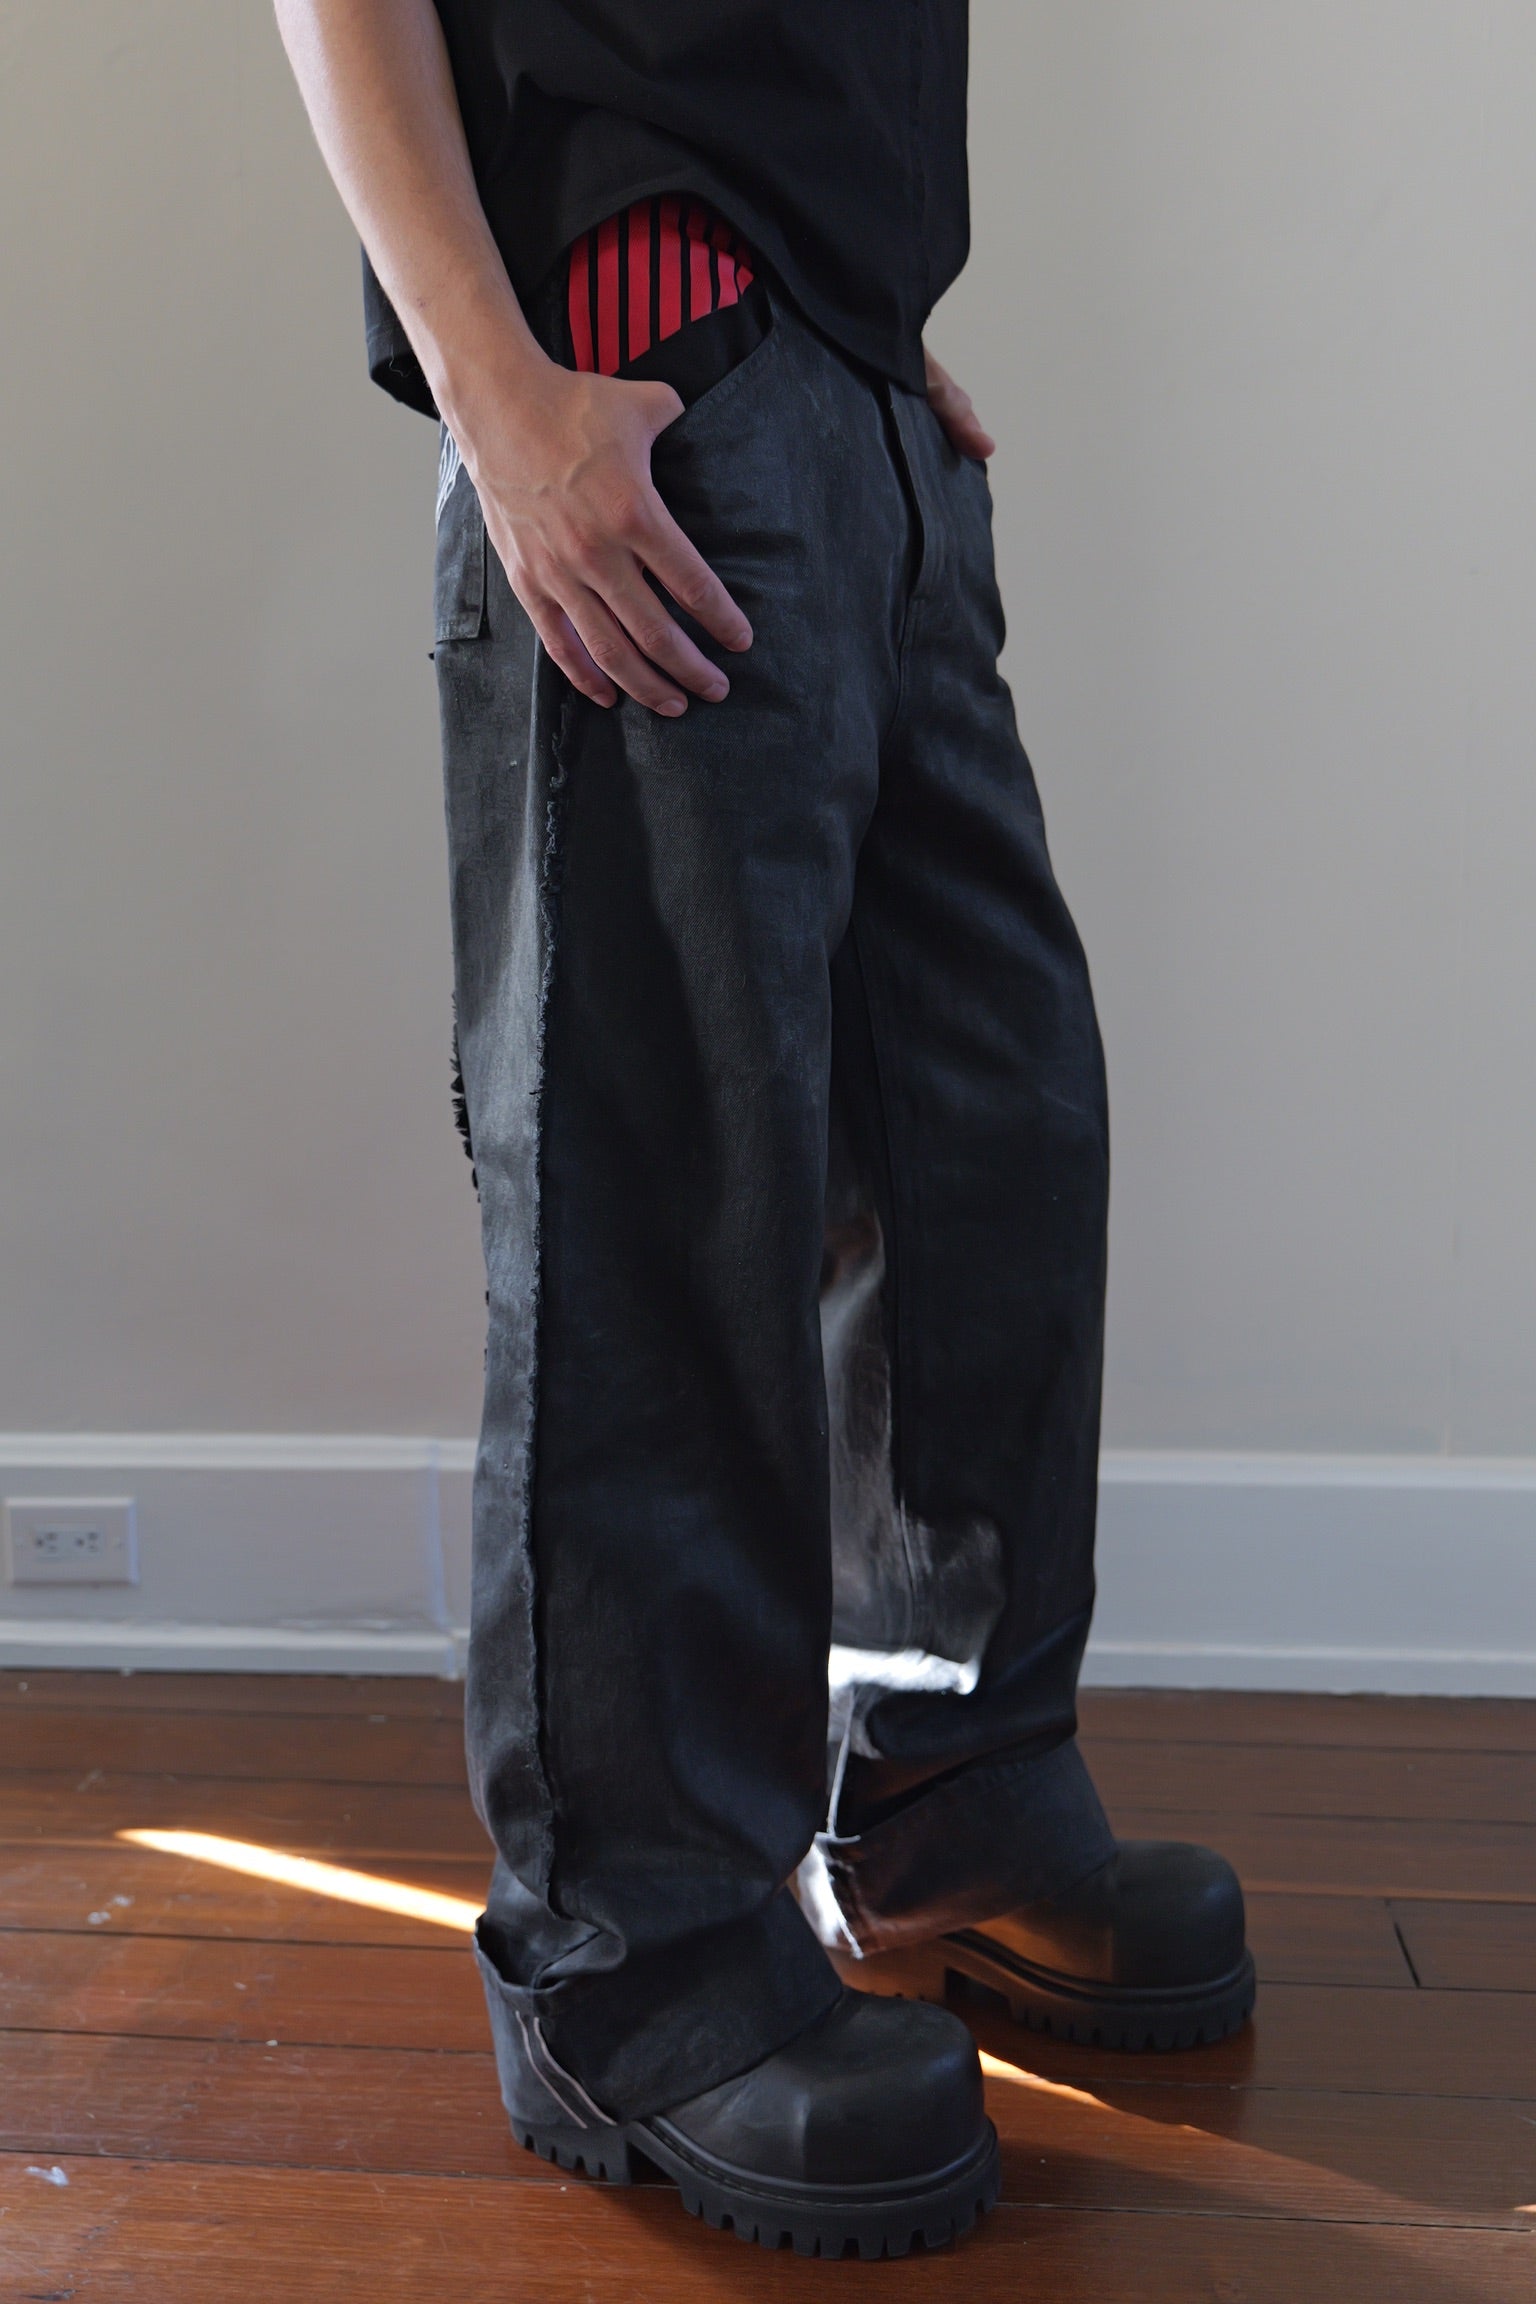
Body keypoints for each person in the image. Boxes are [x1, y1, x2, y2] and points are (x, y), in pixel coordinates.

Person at [274, 0, 1254, 2260]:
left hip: (858, 382)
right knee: (665, 1183)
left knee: (991, 1137)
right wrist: (500, 395)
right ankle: (642, 1964)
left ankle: (950, 1794)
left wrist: (865, 352)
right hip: (637, 353)